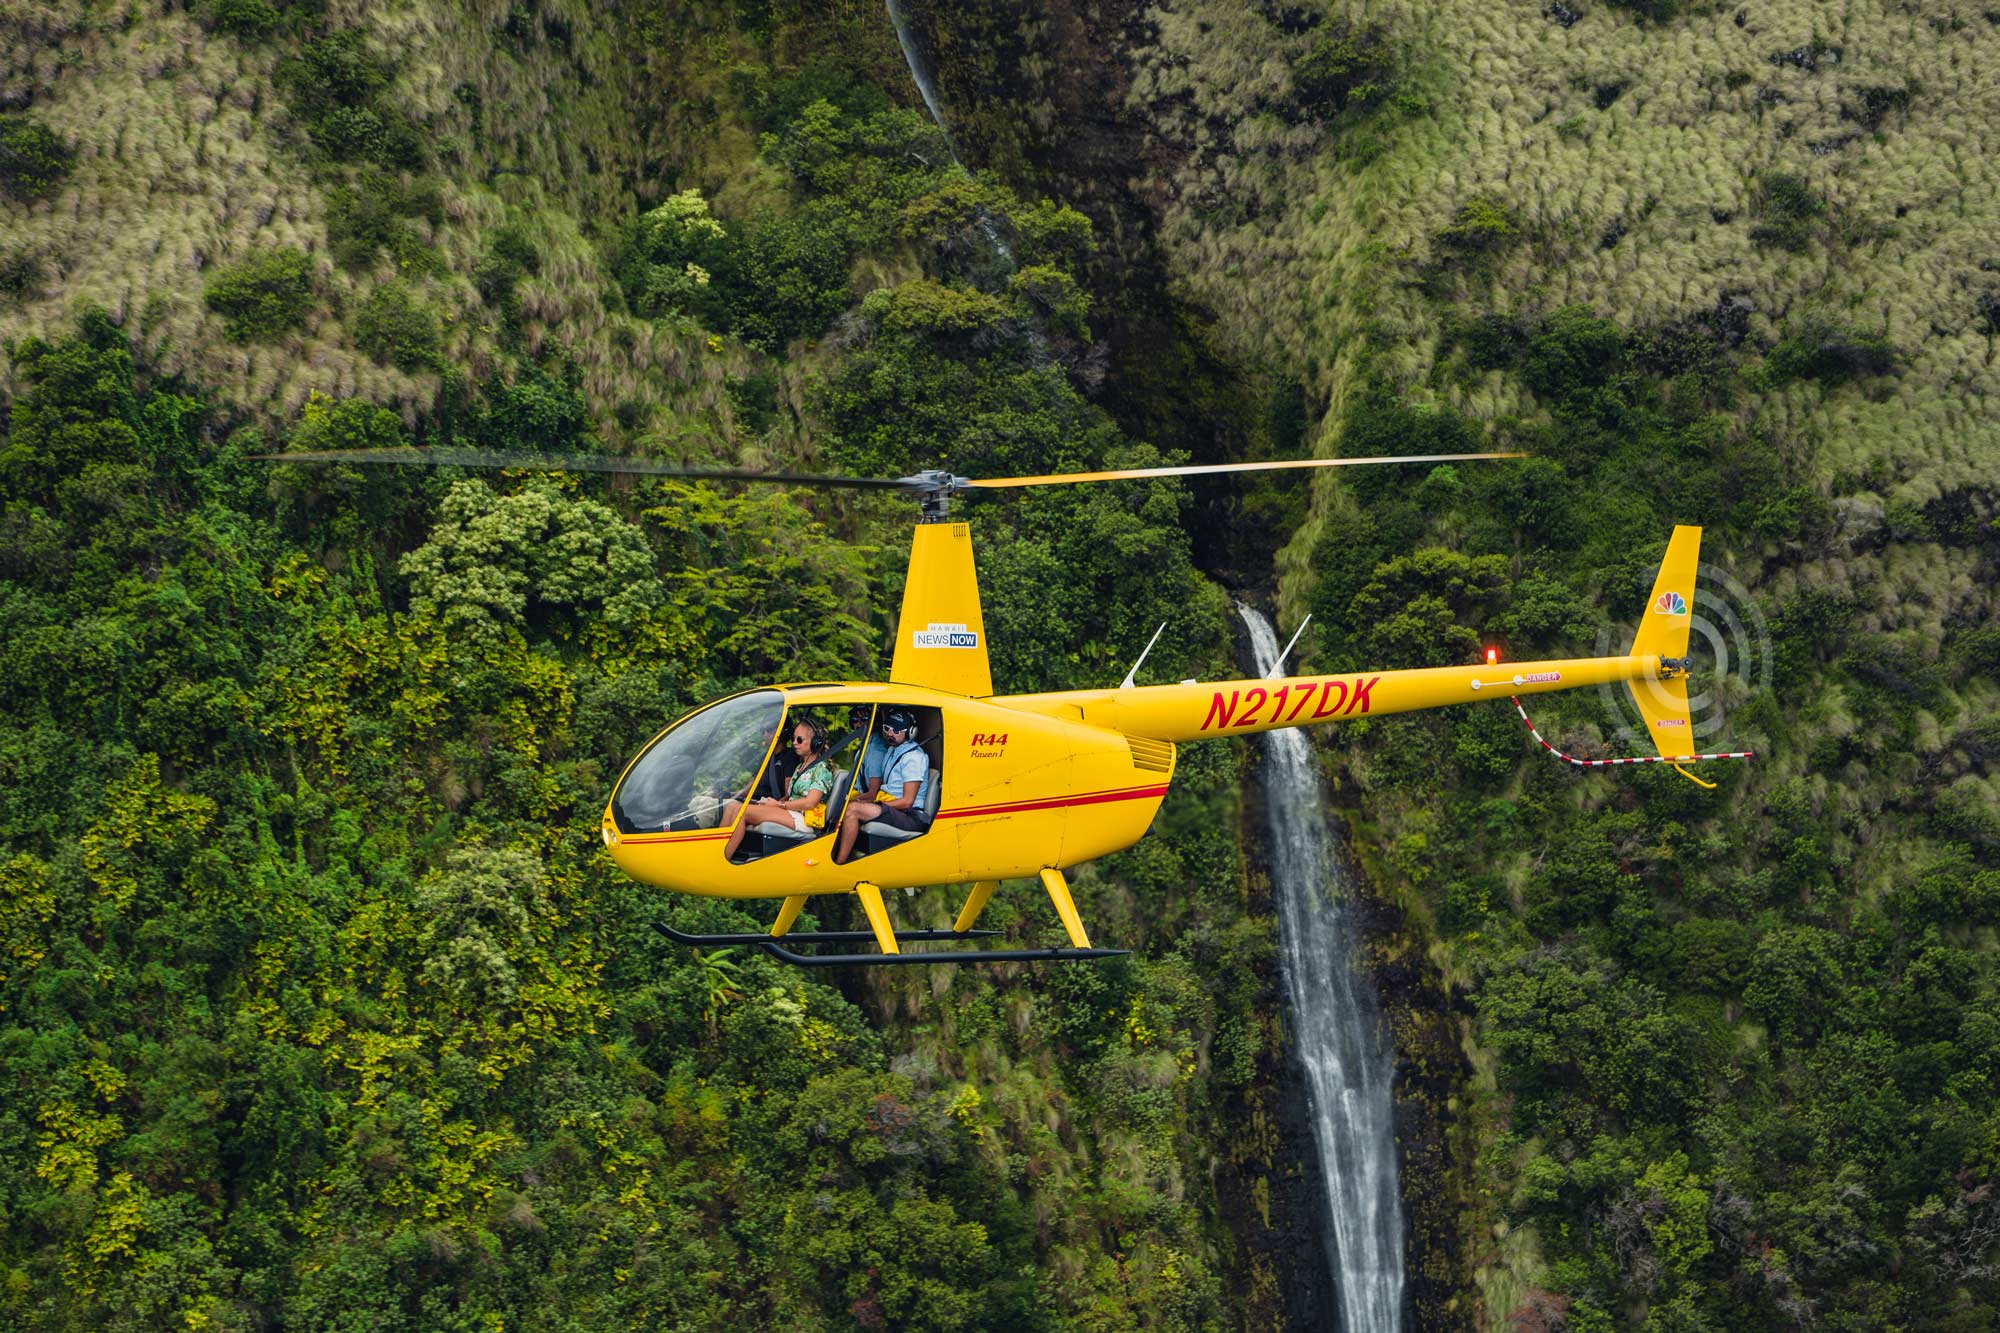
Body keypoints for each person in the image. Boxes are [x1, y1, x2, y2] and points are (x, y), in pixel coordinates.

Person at [721, 717, 833, 859]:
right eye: (793, 738)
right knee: (733, 807)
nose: (794, 743)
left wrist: (780, 805)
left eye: (799, 740)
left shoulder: (821, 770)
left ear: (816, 743)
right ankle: (716, 850)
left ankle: (723, 858)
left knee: (743, 812)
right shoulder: (801, 767)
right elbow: (790, 796)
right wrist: (771, 803)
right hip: (792, 813)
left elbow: (810, 802)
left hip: (806, 819)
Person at [833, 708, 929, 864]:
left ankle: (839, 862)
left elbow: (907, 801)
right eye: (887, 729)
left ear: (910, 732)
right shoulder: (893, 750)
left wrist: (876, 804)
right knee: (848, 805)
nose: (890, 734)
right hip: (894, 808)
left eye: (897, 730)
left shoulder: (913, 757)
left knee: (852, 809)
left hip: (910, 815)